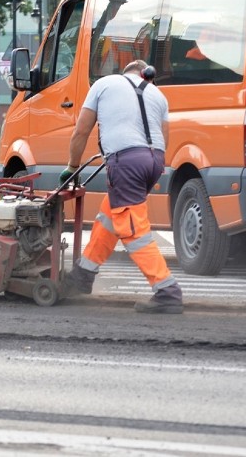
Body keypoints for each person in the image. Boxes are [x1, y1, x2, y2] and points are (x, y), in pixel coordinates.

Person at [60, 59, 183, 314]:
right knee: (110, 217)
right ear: (145, 75)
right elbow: (165, 137)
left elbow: (81, 131)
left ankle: (167, 290)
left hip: (126, 161)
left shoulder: (104, 84)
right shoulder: (157, 94)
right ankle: (83, 274)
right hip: (154, 162)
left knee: (132, 229)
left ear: (126, 71)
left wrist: (72, 168)